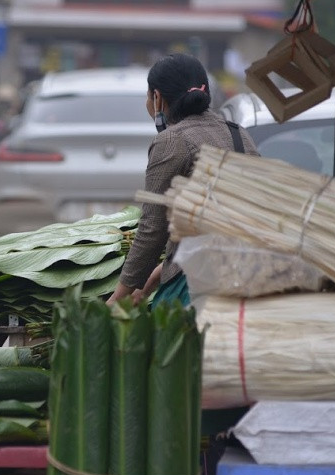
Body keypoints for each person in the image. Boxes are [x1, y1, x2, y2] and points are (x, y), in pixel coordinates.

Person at [107, 53, 258, 307]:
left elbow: (152, 230)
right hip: (247, 275)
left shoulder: (171, 141)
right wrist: (152, 279)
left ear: (157, 98)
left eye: (148, 96)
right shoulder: (238, 134)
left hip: (198, 284)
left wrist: (117, 298)